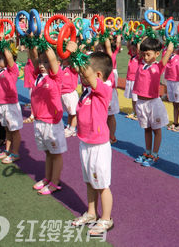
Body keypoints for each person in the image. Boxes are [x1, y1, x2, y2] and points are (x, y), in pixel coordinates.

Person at [67, 41, 114, 236]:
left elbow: (86, 73)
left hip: (99, 145)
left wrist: (77, 51)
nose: (80, 75)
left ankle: (106, 219)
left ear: (98, 76)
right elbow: (82, 71)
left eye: (85, 72)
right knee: (89, 181)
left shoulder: (103, 89)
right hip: (85, 142)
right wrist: (72, 56)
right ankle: (92, 213)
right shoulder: (86, 93)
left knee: (102, 185)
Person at [28, 45, 67, 195]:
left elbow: (52, 57)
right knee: (47, 152)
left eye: (46, 62)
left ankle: (55, 182)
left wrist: (45, 43)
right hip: (39, 121)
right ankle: (48, 178)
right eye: (41, 62)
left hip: (52, 123)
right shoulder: (38, 76)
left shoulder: (55, 77)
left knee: (55, 153)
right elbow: (33, 56)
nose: (43, 65)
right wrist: (32, 40)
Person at [133, 38, 174, 167]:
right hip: (141, 103)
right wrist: (151, 30)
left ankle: (155, 154)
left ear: (157, 54)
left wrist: (170, 41)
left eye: (148, 54)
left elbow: (167, 53)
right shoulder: (140, 63)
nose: (145, 57)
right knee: (146, 129)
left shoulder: (158, 66)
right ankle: (148, 152)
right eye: (144, 54)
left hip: (153, 103)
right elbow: (140, 46)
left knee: (156, 130)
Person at [0, 46, 23, 164]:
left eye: (1, 58)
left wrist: (4, 44)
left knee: (14, 130)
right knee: (7, 129)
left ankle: (15, 153)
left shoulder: (12, 70)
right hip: (0, 104)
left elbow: (9, 57)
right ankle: (7, 150)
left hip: (10, 104)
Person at [164, 44, 179, 132]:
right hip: (170, 81)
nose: (176, 48)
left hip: (178, 82)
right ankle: (175, 122)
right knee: (174, 104)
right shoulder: (168, 54)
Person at [60, 57, 79, 137]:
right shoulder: (60, 68)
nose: (64, 60)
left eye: (66, 58)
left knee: (73, 113)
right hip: (62, 93)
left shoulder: (72, 68)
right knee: (69, 112)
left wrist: (74, 55)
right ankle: (68, 126)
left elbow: (77, 68)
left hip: (70, 93)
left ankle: (72, 129)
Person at [124, 41, 139, 119]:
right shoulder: (132, 56)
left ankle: (138, 113)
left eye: (134, 49)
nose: (132, 50)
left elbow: (138, 49)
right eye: (132, 49)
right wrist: (130, 38)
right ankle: (134, 112)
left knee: (136, 98)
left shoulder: (139, 57)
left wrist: (138, 40)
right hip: (130, 79)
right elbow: (128, 46)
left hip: (135, 80)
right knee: (133, 99)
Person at [22, 58, 35, 122]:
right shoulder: (29, 60)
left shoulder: (32, 61)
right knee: (32, 99)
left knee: (33, 99)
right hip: (30, 82)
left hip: (33, 83)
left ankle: (33, 115)